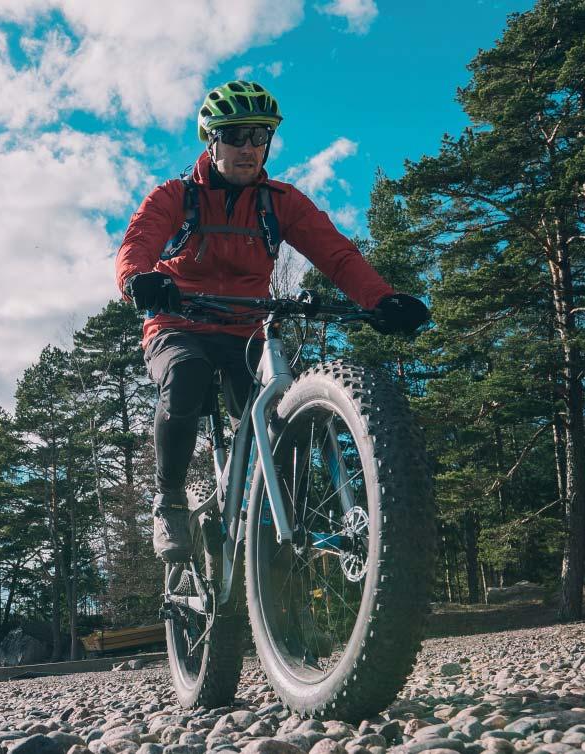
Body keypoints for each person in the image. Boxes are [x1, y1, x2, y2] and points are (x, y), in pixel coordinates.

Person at [115, 80, 429, 562]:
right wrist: (139, 279)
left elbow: (338, 255)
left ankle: (270, 528)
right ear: (211, 139)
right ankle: (169, 500)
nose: (249, 148)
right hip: (179, 325)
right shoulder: (175, 197)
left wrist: (382, 299)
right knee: (186, 377)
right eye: (236, 135)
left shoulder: (280, 202)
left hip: (245, 329)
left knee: (276, 419)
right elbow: (138, 243)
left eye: (259, 136)